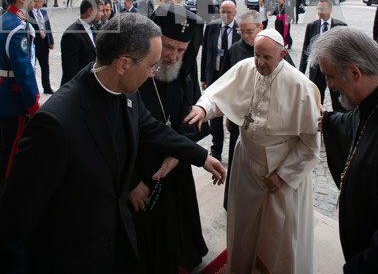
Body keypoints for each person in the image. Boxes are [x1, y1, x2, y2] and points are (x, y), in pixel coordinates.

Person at [0, 14, 225, 274]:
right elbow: (15, 224)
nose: (152, 74)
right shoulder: (54, 124)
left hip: (117, 241)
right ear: (123, 64)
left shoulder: (126, 93)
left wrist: (200, 156)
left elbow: (152, 128)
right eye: (150, 66)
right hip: (75, 256)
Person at [186, 29, 320, 274]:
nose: (259, 62)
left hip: (281, 170)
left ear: (282, 55)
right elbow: (218, 94)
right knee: (244, 224)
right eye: (257, 55)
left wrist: (284, 176)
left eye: (267, 57)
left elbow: (310, 146)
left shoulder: (299, 85)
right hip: (247, 162)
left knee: (279, 234)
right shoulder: (247, 68)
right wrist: (203, 109)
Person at [309, 27, 378, 272]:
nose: (329, 85)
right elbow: (356, 121)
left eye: (330, 76)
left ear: (355, 72)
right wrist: (328, 121)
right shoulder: (375, 99)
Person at [132, 3, 210, 274]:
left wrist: (178, 153)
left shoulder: (184, 66)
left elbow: (194, 114)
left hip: (176, 162)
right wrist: (131, 181)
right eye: (167, 47)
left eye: (181, 50)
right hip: (141, 166)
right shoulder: (136, 68)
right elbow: (115, 133)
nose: (173, 56)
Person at [220, 10, 263, 209]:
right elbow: (226, 85)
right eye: (241, 31)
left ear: (260, 27)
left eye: (249, 31)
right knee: (237, 160)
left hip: (264, 119)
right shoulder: (234, 50)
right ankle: (232, 201)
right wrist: (229, 114)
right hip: (239, 116)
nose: (245, 36)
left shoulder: (273, 48)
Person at [0, 0, 40, 184]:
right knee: (11, 152)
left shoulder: (6, 20)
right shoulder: (17, 28)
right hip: (12, 99)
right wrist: (33, 105)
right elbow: (24, 72)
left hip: (4, 93)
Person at [200, 0, 240, 160]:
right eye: (223, 11)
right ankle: (216, 149)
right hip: (215, 75)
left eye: (229, 12)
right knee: (215, 117)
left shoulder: (240, 29)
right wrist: (204, 77)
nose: (226, 15)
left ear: (235, 13)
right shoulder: (211, 27)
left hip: (232, 78)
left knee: (234, 113)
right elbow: (205, 53)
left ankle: (235, 151)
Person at [299, 0, 347, 111]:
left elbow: (345, 50)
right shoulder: (312, 26)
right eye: (319, 9)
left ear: (330, 10)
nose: (320, 11)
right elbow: (306, 50)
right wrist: (301, 71)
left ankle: (337, 118)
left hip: (334, 69)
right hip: (316, 69)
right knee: (316, 98)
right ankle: (317, 117)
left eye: (323, 9)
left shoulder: (340, 26)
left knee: (337, 99)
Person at [60, 0, 104, 85]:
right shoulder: (71, 34)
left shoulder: (96, 28)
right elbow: (71, 71)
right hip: (78, 86)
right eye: (100, 11)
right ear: (90, 11)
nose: (102, 14)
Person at [29, 0, 55, 94]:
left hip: (44, 43)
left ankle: (47, 87)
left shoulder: (43, 12)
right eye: (41, 1)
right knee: (32, 66)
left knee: (45, 67)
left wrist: (51, 41)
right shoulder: (28, 13)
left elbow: (48, 27)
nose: (42, 2)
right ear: (35, 2)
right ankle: (33, 88)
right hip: (34, 44)